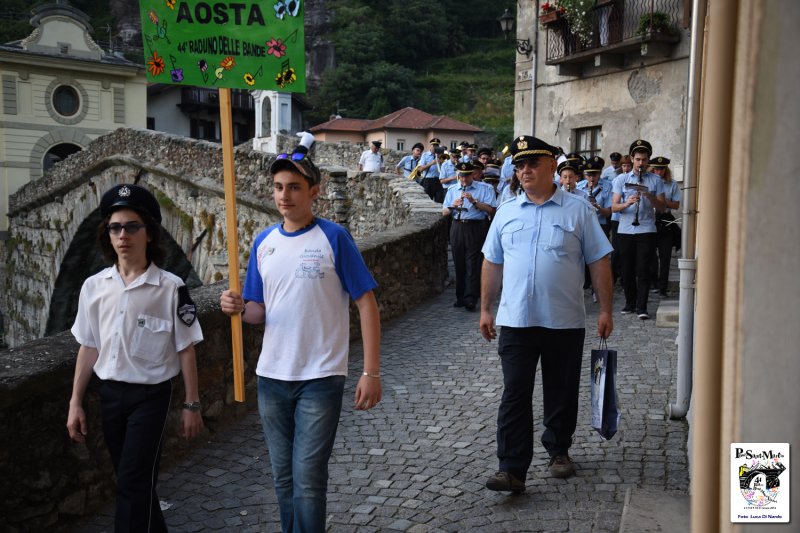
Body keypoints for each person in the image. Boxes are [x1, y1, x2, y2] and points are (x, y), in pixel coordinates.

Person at [219, 133, 381, 533]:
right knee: (283, 478)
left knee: (308, 480)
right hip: (272, 376)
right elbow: (259, 311)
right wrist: (239, 308)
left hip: (321, 377)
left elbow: (367, 303)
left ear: (314, 192)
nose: (284, 195)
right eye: (278, 187)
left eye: (294, 187)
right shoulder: (263, 243)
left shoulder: (334, 237)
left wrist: (371, 372)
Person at [479, 135, 613, 493]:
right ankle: (511, 468)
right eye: (520, 165)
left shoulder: (578, 210)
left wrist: (605, 309)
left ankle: (559, 450)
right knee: (514, 394)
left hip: (563, 320)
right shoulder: (506, 211)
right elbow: (492, 262)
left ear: (553, 166)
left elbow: (598, 261)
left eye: (533, 163)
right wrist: (485, 309)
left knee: (561, 390)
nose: (525, 170)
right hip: (516, 321)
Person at [67, 183, 204, 533]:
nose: (122, 235)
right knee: (135, 482)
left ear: (149, 234)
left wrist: (192, 404)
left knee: (131, 483)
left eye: (132, 226)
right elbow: (89, 345)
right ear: (107, 235)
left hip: (151, 398)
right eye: (115, 227)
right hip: (109, 395)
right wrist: (75, 402)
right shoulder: (94, 287)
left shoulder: (171, 288)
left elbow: (186, 347)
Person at [611, 140, 665, 320]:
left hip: (646, 229)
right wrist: (627, 202)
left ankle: (642, 307)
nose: (641, 163)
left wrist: (649, 195)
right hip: (626, 229)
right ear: (632, 159)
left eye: (644, 160)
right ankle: (629, 303)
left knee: (643, 269)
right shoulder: (621, 179)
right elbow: (614, 207)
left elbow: (663, 208)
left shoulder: (655, 180)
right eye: (638, 159)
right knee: (626, 269)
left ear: (648, 160)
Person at [442, 161, 497, 312]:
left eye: (467, 176)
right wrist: (453, 205)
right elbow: (444, 212)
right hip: (457, 226)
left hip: (475, 226)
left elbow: (491, 209)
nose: (464, 180)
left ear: (473, 174)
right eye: (461, 176)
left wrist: (474, 202)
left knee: (472, 262)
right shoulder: (453, 189)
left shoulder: (485, 189)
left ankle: (471, 297)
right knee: (458, 261)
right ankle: (460, 296)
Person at [649, 156, 681, 296]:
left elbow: (676, 204)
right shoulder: (647, 181)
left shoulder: (672, 184)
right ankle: (653, 283)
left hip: (665, 219)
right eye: (656, 169)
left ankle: (663, 287)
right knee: (650, 255)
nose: (659, 171)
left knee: (665, 255)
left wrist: (662, 201)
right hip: (650, 218)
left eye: (661, 169)